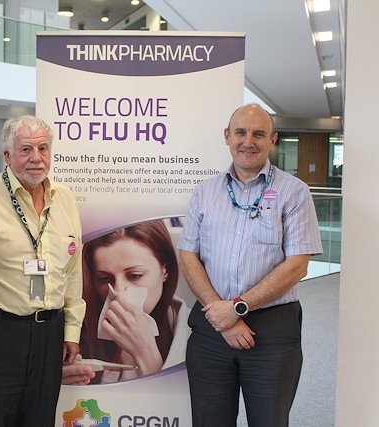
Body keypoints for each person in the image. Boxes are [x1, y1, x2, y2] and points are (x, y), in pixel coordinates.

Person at [177, 103, 323, 426]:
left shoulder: (295, 193)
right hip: (211, 328)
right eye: (240, 133)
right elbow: (188, 255)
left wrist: (237, 308)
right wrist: (222, 314)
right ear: (227, 137)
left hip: (272, 332)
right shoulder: (205, 192)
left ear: (272, 141)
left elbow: (297, 265)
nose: (248, 141)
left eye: (259, 134)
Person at [0, 115, 86, 426]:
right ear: (7, 155)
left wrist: (71, 330)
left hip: (48, 335)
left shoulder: (65, 199)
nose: (36, 159)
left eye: (43, 148)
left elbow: (72, 272)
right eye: (26, 149)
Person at [62, 219, 190, 385]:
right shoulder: (73, 331)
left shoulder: (196, 336)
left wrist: (146, 353)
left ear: (164, 270)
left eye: (135, 275)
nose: (119, 292)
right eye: (104, 278)